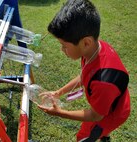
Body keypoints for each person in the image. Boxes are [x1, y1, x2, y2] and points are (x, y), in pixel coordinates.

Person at [38, 0, 130, 141]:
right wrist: (58, 93)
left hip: (110, 115)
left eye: (64, 45)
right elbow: (84, 75)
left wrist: (60, 113)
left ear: (86, 43)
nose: (62, 50)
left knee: (84, 136)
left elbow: (95, 115)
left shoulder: (103, 81)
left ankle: (101, 134)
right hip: (108, 102)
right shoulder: (94, 50)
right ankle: (103, 135)